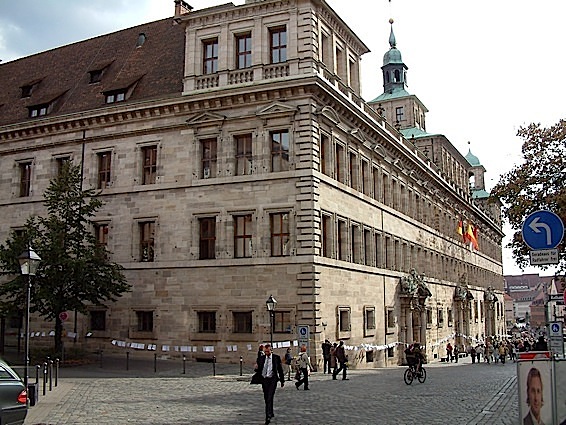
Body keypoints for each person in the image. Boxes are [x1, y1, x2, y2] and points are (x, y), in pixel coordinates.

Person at [254, 344, 285, 424]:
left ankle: (268, 416)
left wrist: (282, 381)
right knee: (266, 397)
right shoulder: (261, 358)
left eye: (268, 351)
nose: (266, 353)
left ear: (271, 350)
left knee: (270, 396)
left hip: (272, 380)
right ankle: (270, 411)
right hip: (264, 380)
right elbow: (258, 370)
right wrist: (256, 368)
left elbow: (280, 370)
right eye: (265, 351)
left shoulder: (276, 358)